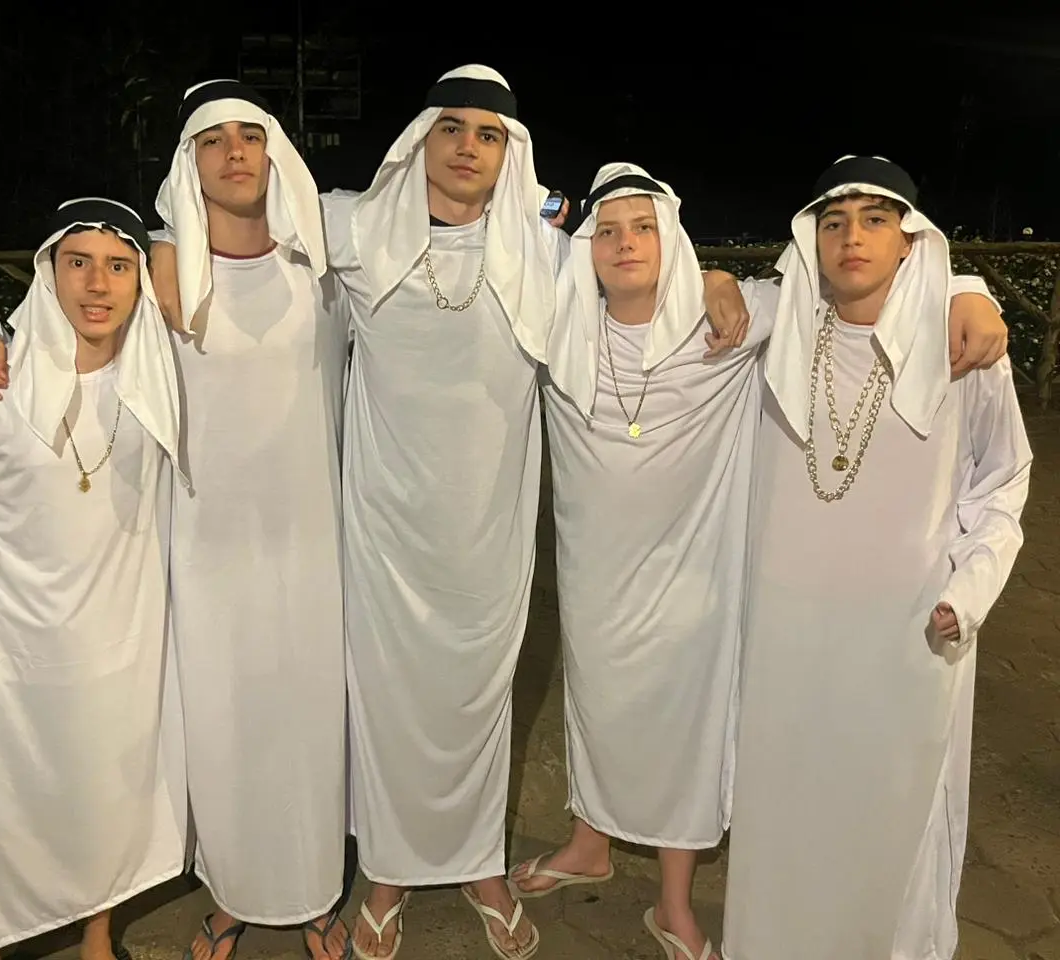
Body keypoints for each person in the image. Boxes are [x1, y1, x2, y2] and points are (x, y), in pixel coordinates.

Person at [511, 162, 1011, 960]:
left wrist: (968, 288)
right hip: (598, 573)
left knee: (698, 726)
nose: (625, 244)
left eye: (644, 228)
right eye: (606, 231)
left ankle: (683, 905)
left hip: (717, 580)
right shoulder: (560, 328)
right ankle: (589, 842)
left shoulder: (733, 327)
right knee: (599, 703)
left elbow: (996, 469)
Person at [318, 67, 749, 960]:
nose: (468, 146)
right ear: (422, 139)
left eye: (489, 134)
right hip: (384, 527)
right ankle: (387, 874)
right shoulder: (353, 228)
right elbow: (236, 227)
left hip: (491, 529)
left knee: (480, 702)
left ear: (509, 152)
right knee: (391, 701)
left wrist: (712, 273)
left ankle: (479, 864)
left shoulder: (545, 253)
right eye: (452, 128)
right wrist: (153, 249)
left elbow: (644, 262)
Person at [0, 81, 352, 960]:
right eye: (213, 140)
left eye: (251, 136)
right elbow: (64, 321)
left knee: (309, 723)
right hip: (197, 548)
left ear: (275, 151)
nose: (235, 153)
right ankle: (233, 892)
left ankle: (314, 889)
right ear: (187, 164)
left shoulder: (324, 262)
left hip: (311, 545)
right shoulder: (163, 273)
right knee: (220, 728)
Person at [721, 155, 1032, 960]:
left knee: (889, 817)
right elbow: (693, 301)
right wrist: (717, 277)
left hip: (907, 635)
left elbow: (1003, 480)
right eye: (833, 222)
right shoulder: (783, 329)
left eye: (874, 219)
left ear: (909, 240)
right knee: (787, 810)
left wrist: (970, 592)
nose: (851, 237)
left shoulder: (962, 347)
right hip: (790, 638)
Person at [0, 198, 185, 960]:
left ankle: (96, 933)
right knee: (2, 804)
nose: (97, 285)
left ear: (139, 283)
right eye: (78, 262)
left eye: (118, 266)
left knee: (106, 797)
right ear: (48, 272)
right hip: (8, 644)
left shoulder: (156, 379)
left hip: (119, 641)